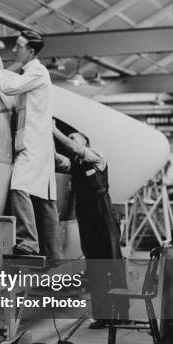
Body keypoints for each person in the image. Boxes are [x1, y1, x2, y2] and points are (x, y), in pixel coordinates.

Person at [0, 30, 60, 259]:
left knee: (20, 186)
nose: (14, 50)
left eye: (19, 46)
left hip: (34, 144)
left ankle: (28, 243)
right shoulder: (30, 72)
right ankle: (55, 257)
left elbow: (9, 87)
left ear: (30, 51)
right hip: (35, 143)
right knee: (45, 202)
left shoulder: (37, 72)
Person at [53, 126, 129, 329]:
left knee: (111, 262)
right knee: (94, 265)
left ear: (85, 141)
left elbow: (76, 150)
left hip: (102, 211)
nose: (69, 140)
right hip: (86, 215)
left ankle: (121, 313)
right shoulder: (75, 163)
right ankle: (103, 315)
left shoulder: (97, 156)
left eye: (73, 137)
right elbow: (60, 161)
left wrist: (53, 130)